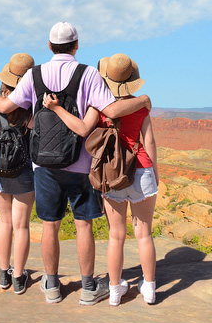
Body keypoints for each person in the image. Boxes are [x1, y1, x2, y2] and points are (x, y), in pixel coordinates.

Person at [0, 22, 151, 305]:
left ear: (49, 46)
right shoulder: (88, 74)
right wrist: (145, 100)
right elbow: (110, 110)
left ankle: (51, 286)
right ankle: (88, 288)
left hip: (44, 166)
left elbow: (3, 107)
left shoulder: (35, 75)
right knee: (83, 225)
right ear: (76, 45)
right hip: (81, 164)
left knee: (50, 226)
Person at [42, 53, 159, 306]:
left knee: (116, 235)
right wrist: (155, 174)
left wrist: (56, 108)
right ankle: (149, 289)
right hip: (141, 170)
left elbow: (83, 129)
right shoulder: (141, 106)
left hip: (111, 173)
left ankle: (115, 292)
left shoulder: (98, 107)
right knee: (144, 234)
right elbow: (148, 143)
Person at [0, 52, 36, 295]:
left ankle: (3, 273)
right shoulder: (31, 104)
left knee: (4, 223)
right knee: (22, 226)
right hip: (24, 172)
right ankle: (18, 278)